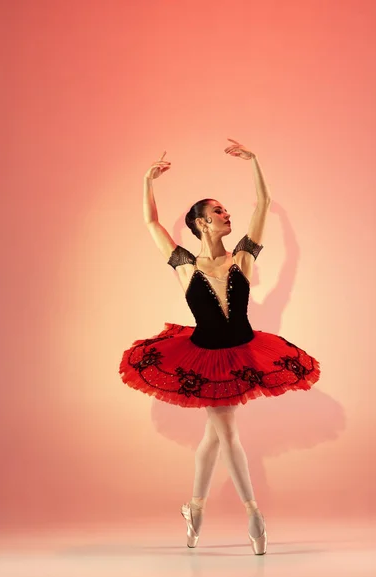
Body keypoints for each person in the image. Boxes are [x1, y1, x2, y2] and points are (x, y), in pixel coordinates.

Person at [119, 139, 321, 555]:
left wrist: (255, 160)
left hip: (245, 350)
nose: (227, 214)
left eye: (227, 209)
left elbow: (263, 203)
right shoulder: (183, 265)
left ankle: (194, 509)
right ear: (201, 224)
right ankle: (254, 514)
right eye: (218, 211)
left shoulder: (243, 257)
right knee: (227, 434)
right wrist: (146, 181)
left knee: (215, 437)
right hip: (204, 357)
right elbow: (151, 224)